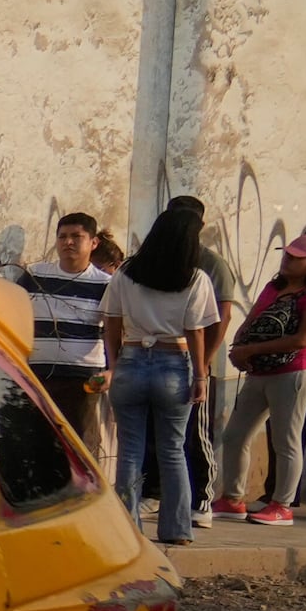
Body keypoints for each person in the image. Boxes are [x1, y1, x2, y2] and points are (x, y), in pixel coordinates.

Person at [100, 196, 216, 547]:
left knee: (130, 449)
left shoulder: (126, 273)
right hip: (174, 364)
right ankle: (177, 530)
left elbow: (111, 321)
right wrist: (200, 375)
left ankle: (128, 529)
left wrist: (115, 362)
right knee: (173, 449)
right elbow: (196, 330)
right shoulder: (195, 278)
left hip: (132, 361)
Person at [218, 232, 306, 526]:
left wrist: (252, 349)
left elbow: (304, 339)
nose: (287, 260)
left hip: (294, 372)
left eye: (295, 257)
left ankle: (282, 504)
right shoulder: (274, 288)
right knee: (235, 434)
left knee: (286, 439)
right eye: (287, 255)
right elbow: (252, 319)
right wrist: (238, 348)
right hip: (259, 371)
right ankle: (233, 498)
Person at [17, 212, 113, 456]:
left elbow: (117, 333)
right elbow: (12, 313)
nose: (68, 242)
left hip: (84, 379)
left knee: (81, 448)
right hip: (38, 375)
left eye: (76, 236)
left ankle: (87, 495)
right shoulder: (35, 275)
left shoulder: (106, 285)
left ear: (93, 243)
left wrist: (113, 371)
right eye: (62, 237)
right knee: (37, 446)